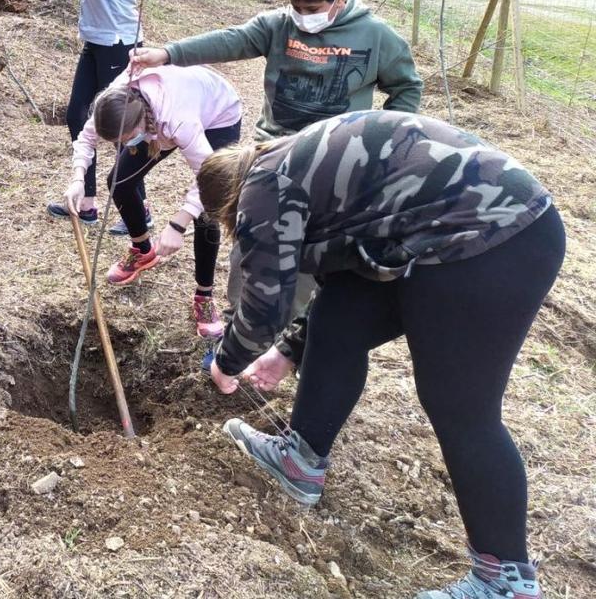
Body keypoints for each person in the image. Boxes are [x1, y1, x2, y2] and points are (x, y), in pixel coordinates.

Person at [196, 110, 562, 599]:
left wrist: (227, 360)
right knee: (340, 317)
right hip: (445, 230)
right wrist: (287, 352)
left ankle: (505, 581)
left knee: (461, 408)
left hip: (493, 236)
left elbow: (266, 303)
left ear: (231, 207)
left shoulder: (264, 190)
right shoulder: (293, 162)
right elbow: (345, 274)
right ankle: (300, 461)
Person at [130, 0, 423, 382]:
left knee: (310, 256)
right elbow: (230, 40)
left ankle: (289, 344)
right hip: (269, 156)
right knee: (250, 245)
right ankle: (236, 332)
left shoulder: (376, 36)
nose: (303, 17)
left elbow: (407, 88)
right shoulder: (279, 26)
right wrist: (167, 54)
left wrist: (380, 140)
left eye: (313, 9)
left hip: (331, 165)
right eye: (297, 8)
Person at [63, 65, 241, 332]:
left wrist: (178, 225)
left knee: (208, 210)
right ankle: (143, 250)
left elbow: (210, 179)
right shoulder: (111, 104)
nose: (125, 145)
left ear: (140, 125)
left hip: (217, 112)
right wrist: (78, 178)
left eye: (128, 139)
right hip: (158, 115)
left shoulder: (177, 119)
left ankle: (204, 296)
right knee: (119, 182)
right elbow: (87, 139)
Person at [28, 0, 146, 230]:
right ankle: (89, 202)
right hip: (96, 39)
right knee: (78, 115)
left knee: (121, 126)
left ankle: (138, 210)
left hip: (117, 43)